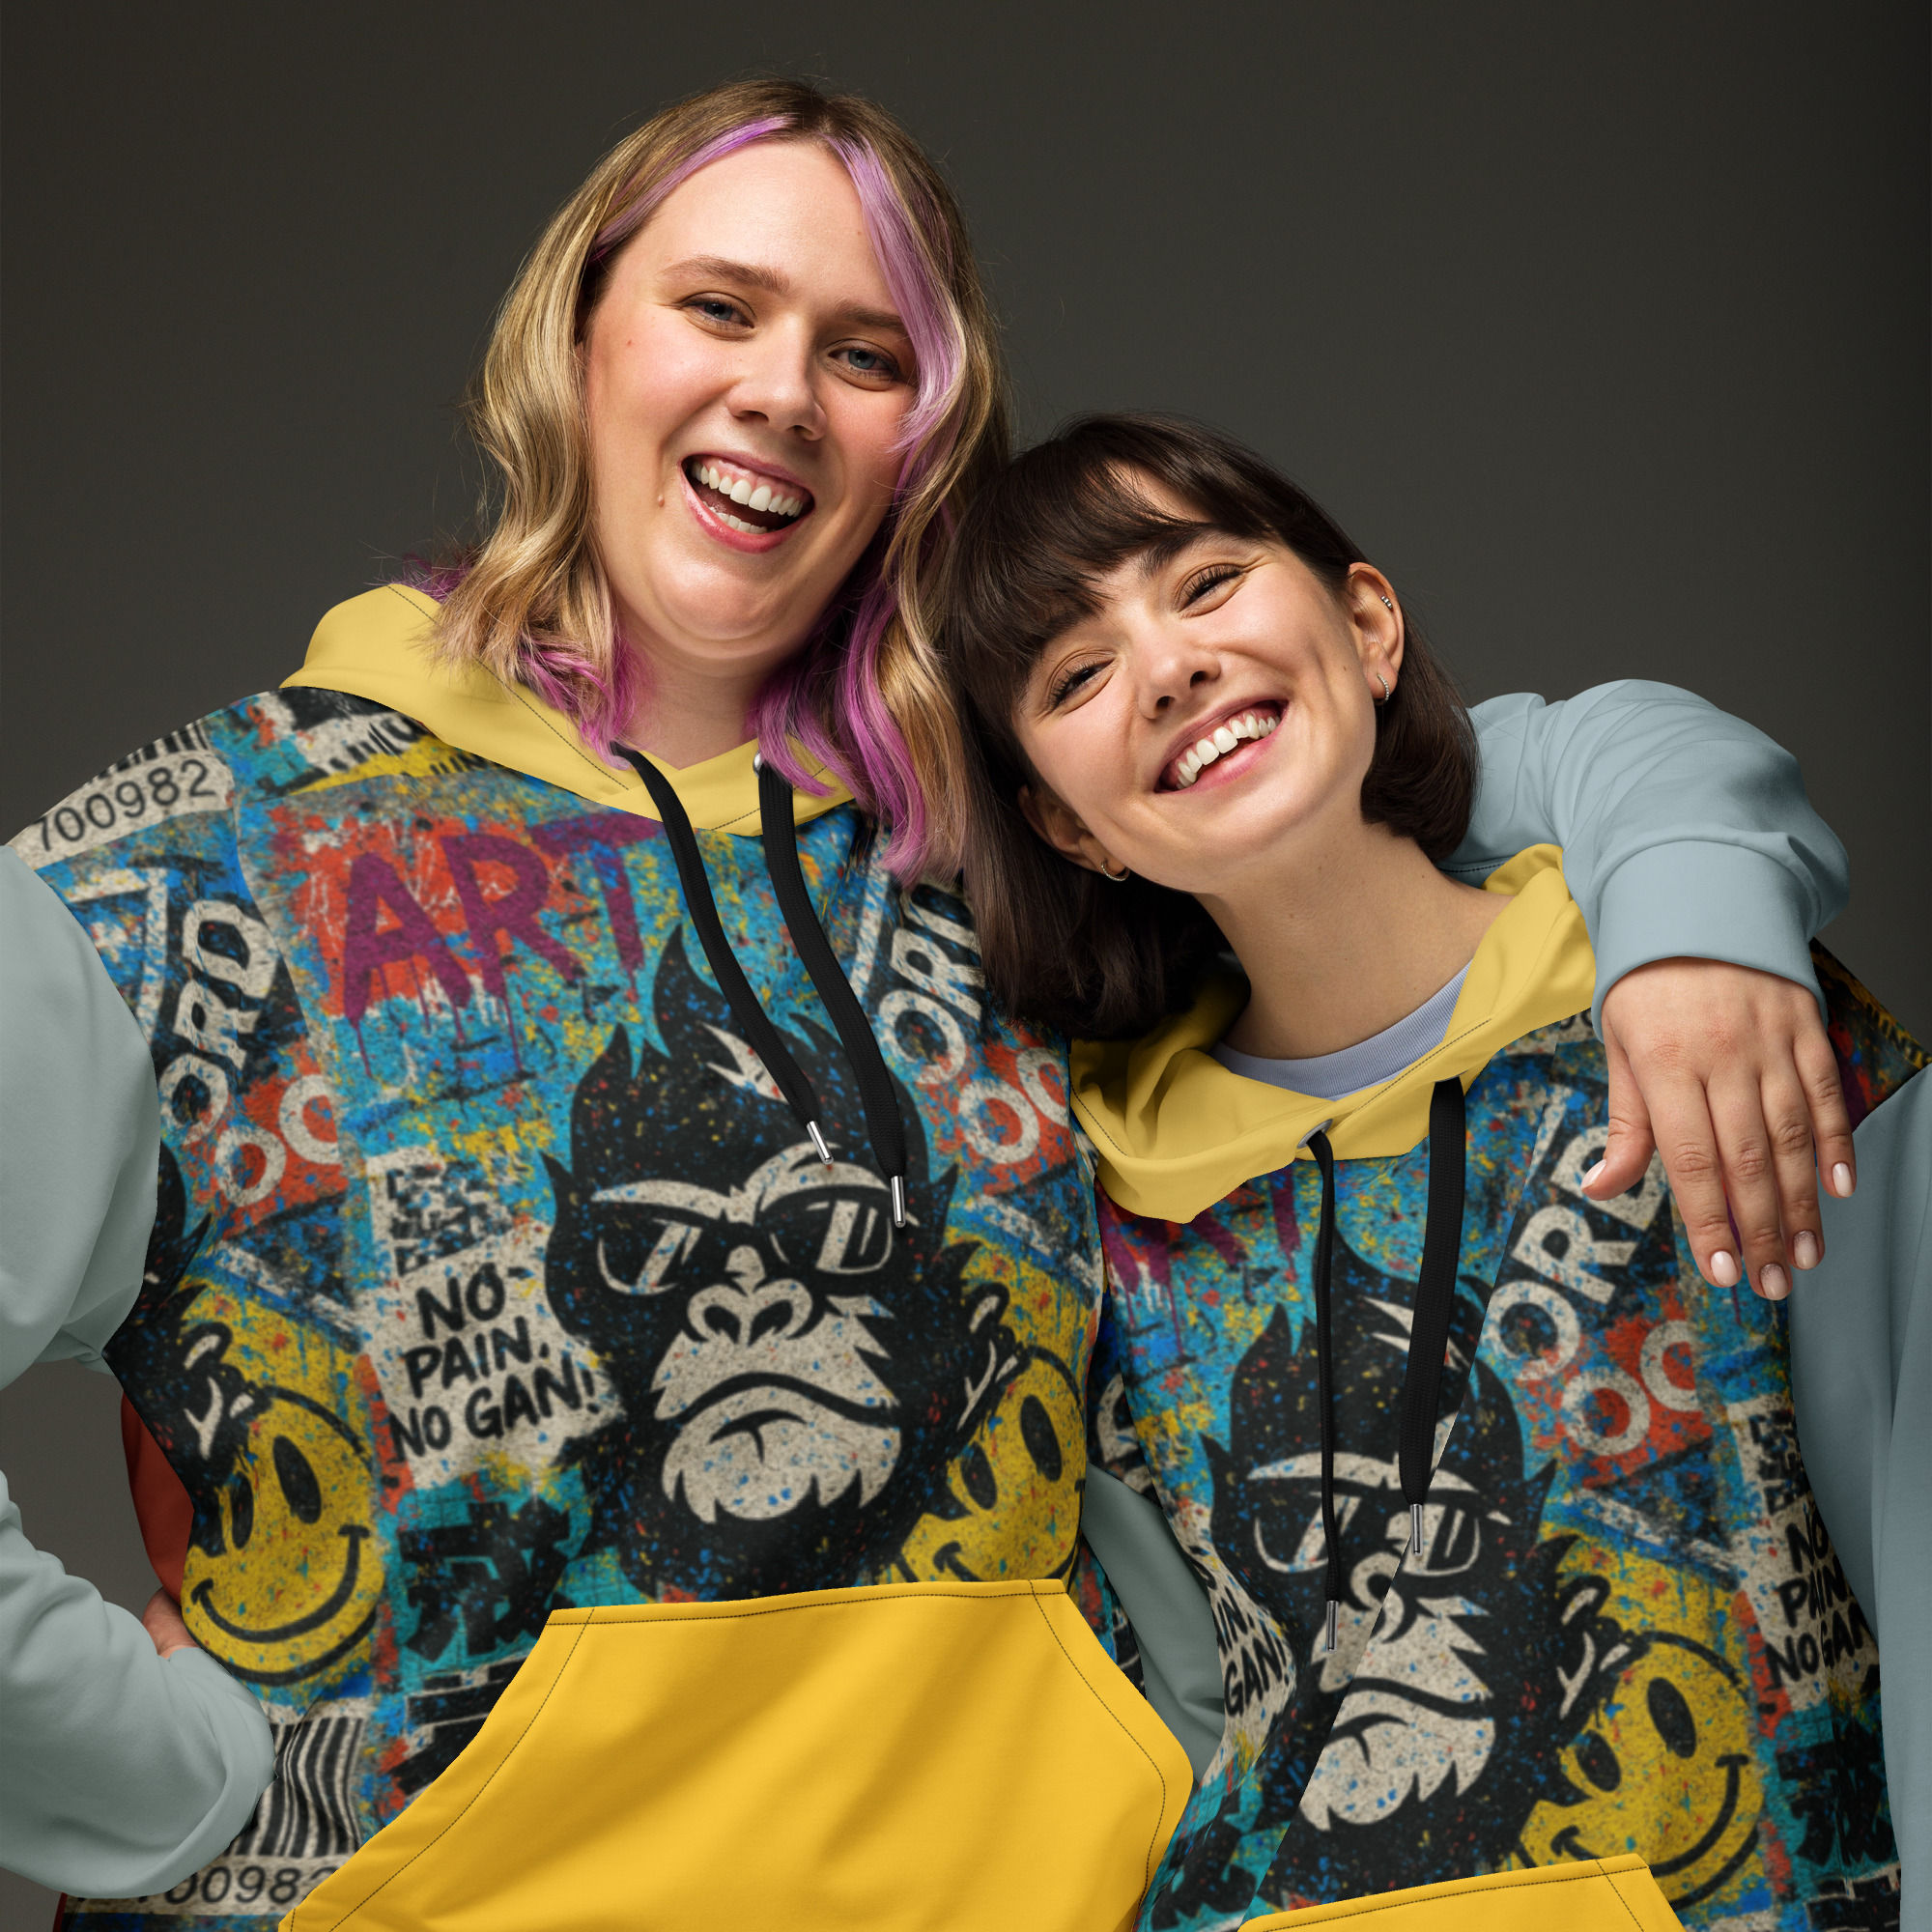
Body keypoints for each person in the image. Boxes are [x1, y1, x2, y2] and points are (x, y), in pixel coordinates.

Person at [0, 79, 1868, 1931]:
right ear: (577, 341)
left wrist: (1698, 907)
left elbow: (1412, 778)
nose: (781, 393)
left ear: (924, 439)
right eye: (719, 308)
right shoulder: (204, 859)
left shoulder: (1001, 846)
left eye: (866, 352)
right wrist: (154, 1798)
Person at [939, 413, 1920, 1931]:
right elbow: (1189, 1726)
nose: (1168, 667)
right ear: (1072, 827)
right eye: (1075, 677)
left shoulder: (1711, 1008)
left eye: (1203, 585)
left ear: (1368, 624)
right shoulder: (1109, 1219)